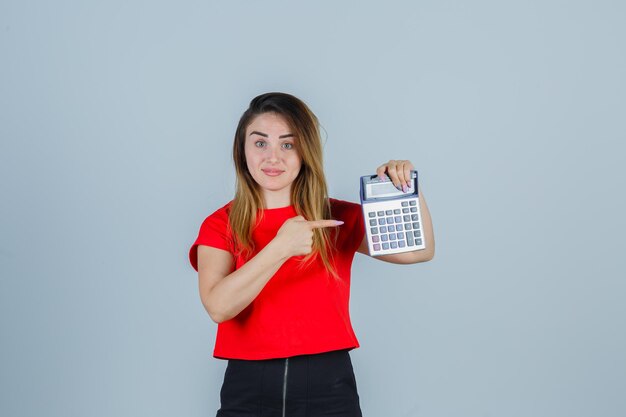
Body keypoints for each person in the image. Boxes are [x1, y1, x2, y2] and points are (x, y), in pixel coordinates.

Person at [189, 92, 435, 417]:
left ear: (305, 151)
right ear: (242, 150)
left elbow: (419, 252)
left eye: (287, 144)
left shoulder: (334, 217)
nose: (272, 157)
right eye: (260, 143)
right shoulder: (221, 224)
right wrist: (281, 247)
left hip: (329, 385)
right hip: (248, 386)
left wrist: (406, 190)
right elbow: (218, 307)